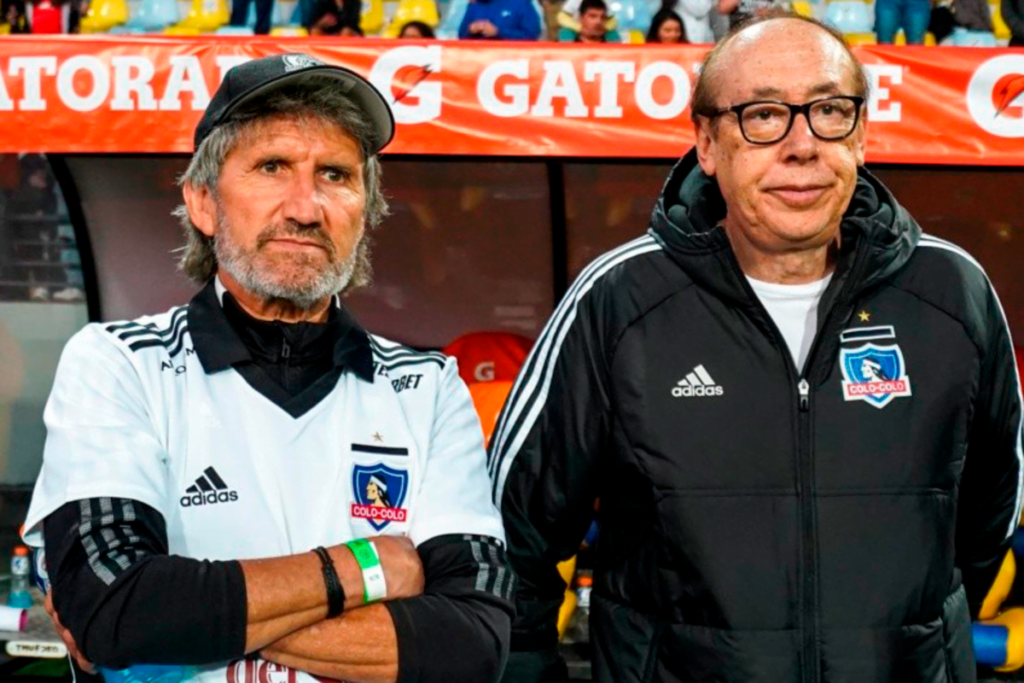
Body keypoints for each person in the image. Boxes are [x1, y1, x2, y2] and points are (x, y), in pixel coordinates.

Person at [492, 13, 1023, 683]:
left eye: (830, 110)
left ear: (860, 135)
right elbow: (513, 545)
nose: (802, 145)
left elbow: (983, 528)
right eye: (764, 115)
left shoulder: (954, 295)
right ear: (707, 145)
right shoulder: (616, 303)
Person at [25, 53, 513, 683]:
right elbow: (113, 610)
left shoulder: (428, 387)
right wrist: (367, 568)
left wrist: (186, 618)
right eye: (272, 167)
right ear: (203, 202)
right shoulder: (118, 363)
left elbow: (472, 645)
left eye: (335, 175)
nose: (306, 208)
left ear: (365, 213)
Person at [458, 0, 543, 39]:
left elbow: (532, 35)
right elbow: (461, 35)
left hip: (511, 62)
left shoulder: (521, 3)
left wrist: (498, 33)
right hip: (476, 63)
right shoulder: (475, 4)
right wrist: (470, 29)